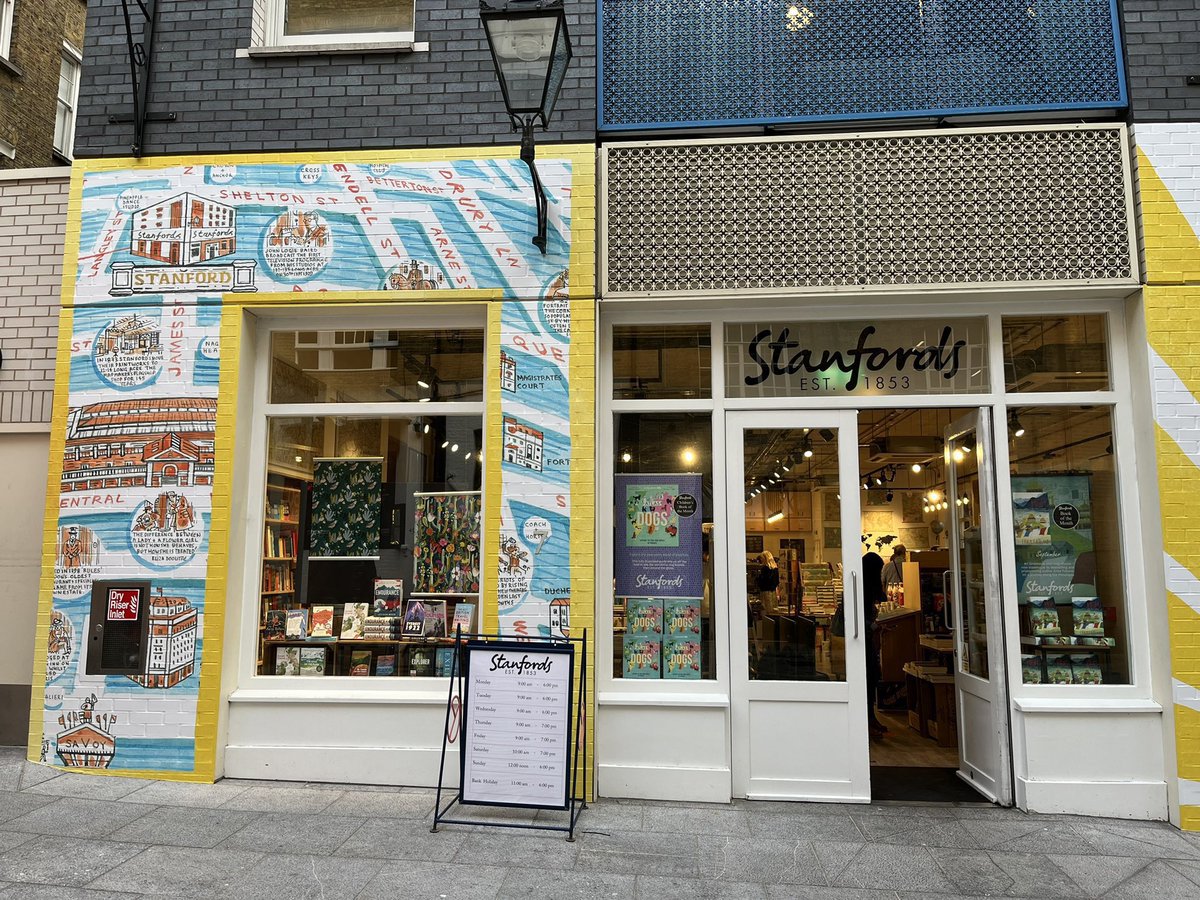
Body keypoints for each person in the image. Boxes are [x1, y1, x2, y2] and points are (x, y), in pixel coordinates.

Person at [861, 551, 887, 737]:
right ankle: (868, 720)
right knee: (870, 678)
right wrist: (874, 625)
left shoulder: (862, 584)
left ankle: (869, 719)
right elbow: (860, 617)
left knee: (870, 679)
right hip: (864, 640)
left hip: (864, 639)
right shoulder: (865, 588)